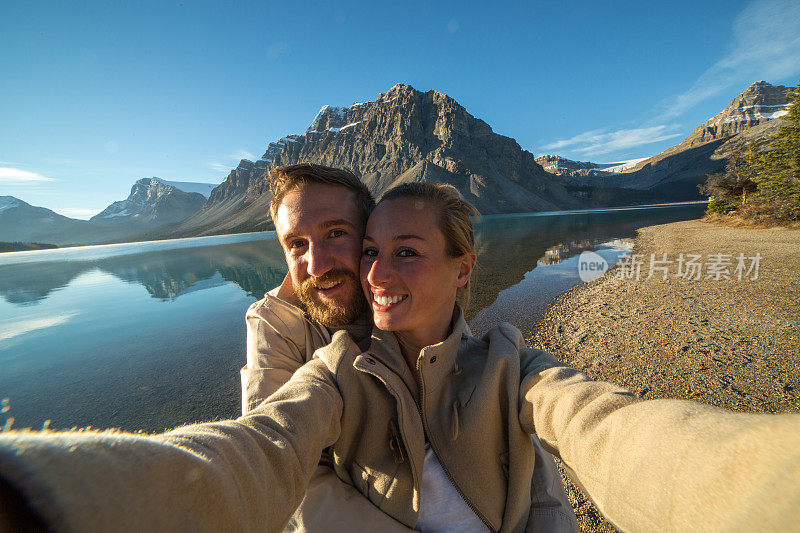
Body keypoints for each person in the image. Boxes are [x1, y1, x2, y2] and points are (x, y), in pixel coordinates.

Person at [1, 181, 799, 532]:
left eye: (405, 251)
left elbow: (608, 427)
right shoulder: (341, 370)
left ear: (465, 267)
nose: (376, 272)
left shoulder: (513, 364)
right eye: (372, 250)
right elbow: (256, 448)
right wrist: (49, 494)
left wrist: (760, 486)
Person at [240, 164, 577, 531]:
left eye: (336, 233)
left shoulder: (402, 298)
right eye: (296, 244)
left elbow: (510, 411)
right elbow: (275, 453)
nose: (317, 266)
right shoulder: (276, 323)